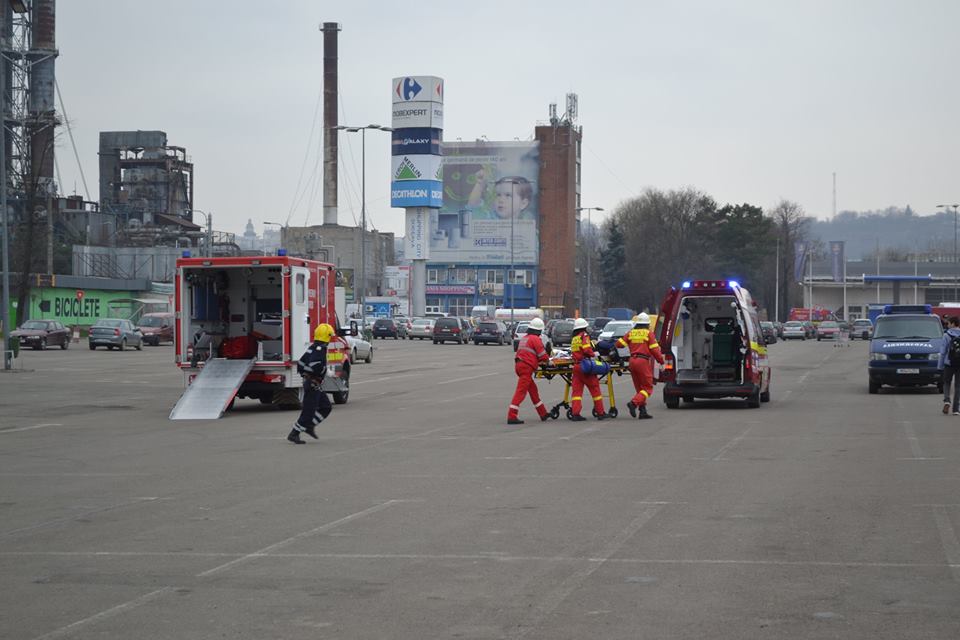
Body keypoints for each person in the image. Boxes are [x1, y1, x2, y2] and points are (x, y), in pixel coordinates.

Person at [288, 323, 335, 444]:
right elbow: (315, 366)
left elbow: (300, 364)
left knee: (326, 407)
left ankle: (309, 426)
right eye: (330, 336)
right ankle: (294, 433)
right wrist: (324, 371)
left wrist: (305, 374)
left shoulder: (313, 347)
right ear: (327, 336)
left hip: (313, 383)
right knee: (308, 411)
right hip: (313, 384)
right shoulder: (320, 349)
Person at [616, 313, 665, 420]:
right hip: (642, 361)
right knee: (647, 388)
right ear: (647, 324)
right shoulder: (648, 334)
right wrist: (661, 361)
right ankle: (633, 403)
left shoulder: (631, 333)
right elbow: (655, 350)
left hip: (632, 361)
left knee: (639, 388)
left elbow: (619, 344)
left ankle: (643, 411)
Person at [508, 317, 550, 425]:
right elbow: (542, 354)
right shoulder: (535, 339)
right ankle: (512, 416)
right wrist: (548, 361)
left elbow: (529, 353)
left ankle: (543, 413)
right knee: (520, 392)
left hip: (520, 365)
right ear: (538, 330)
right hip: (526, 367)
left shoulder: (525, 338)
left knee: (533, 390)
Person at [569, 317, 607, 421]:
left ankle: (575, 413)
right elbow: (587, 350)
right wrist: (595, 354)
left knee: (576, 392)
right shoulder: (584, 335)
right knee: (595, 389)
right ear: (584, 327)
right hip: (585, 366)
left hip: (576, 366)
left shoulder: (574, 338)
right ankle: (600, 412)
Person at [467, 170, 534, 220]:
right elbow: (473, 206)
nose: (501, 200)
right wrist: (480, 183)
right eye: (498, 195)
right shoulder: (489, 219)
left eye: (508, 195)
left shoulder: (526, 228)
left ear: (523, 204)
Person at [939, 316, 960, 416]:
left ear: (953, 323)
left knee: (946, 383)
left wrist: (940, 366)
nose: (947, 325)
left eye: (948, 323)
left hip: (949, 363)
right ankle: (956, 409)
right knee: (958, 386)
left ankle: (947, 400)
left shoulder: (946, 335)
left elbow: (943, 352)